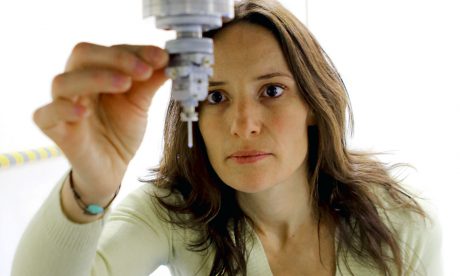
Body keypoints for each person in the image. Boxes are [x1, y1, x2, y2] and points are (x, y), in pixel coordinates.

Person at [12, 0, 442, 275]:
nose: (243, 124)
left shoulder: (400, 219)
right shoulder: (172, 214)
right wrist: (91, 184)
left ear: (314, 103)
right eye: (216, 96)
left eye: (272, 91)